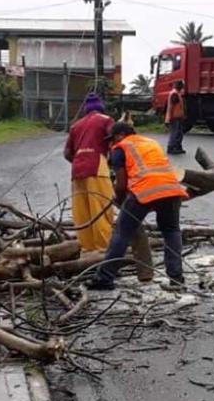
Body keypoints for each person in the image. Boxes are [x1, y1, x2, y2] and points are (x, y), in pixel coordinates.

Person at [87, 121, 189, 291]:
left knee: (122, 232)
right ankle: (176, 279)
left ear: (120, 135)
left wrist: (119, 200)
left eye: (113, 138)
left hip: (144, 190)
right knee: (171, 231)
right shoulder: (151, 142)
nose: (112, 142)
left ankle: (104, 278)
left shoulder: (121, 148)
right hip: (171, 189)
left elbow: (121, 185)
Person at [63, 93, 117, 252]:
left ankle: (86, 248)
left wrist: (81, 159)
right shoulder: (106, 120)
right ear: (101, 107)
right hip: (97, 168)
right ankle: (103, 248)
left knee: (82, 212)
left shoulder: (76, 125)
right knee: (100, 210)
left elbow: (67, 153)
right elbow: (114, 139)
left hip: (77, 169)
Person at [165, 80, 187, 155]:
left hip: (178, 117)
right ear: (179, 86)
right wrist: (168, 119)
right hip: (174, 117)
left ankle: (177, 147)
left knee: (179, 133)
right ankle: (171, 147)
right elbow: (171, 107)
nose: (183, 87)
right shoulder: (174, 94)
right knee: (174, 133)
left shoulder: (177, 93)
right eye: (182, 86)